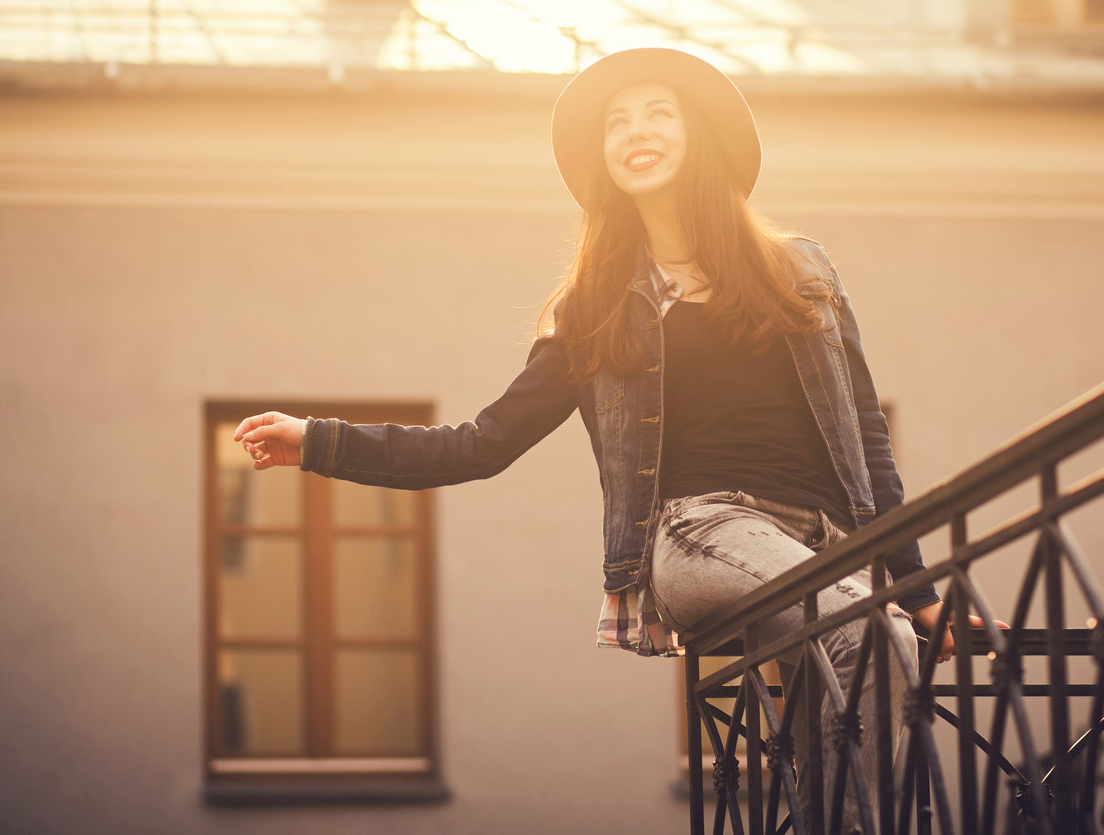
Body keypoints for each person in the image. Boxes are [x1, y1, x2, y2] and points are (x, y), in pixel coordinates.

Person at [234, 47, 959, 827]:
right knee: (864, 635)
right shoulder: (596, 312)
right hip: (701, 530)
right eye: (616, 122)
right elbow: (480, 444)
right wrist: (320, 439)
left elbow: (866, 440)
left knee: (879, 644)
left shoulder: (801, 270)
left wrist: (915, 593)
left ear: (700, 136)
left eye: (656, 113)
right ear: (604, 160)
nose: (633, 132)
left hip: (825, 544)